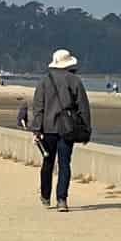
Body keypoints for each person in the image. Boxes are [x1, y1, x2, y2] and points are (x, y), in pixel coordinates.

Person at [27, 48, 92, 211]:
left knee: (47, 162)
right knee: (64, 164)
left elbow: (38, 108)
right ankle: (62, 199)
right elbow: (83, 107)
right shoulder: (75, 81)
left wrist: (36, 129)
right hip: (68, 129)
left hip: (47, 128)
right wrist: (86, 130)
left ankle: (45, 196)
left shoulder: (44, 81)